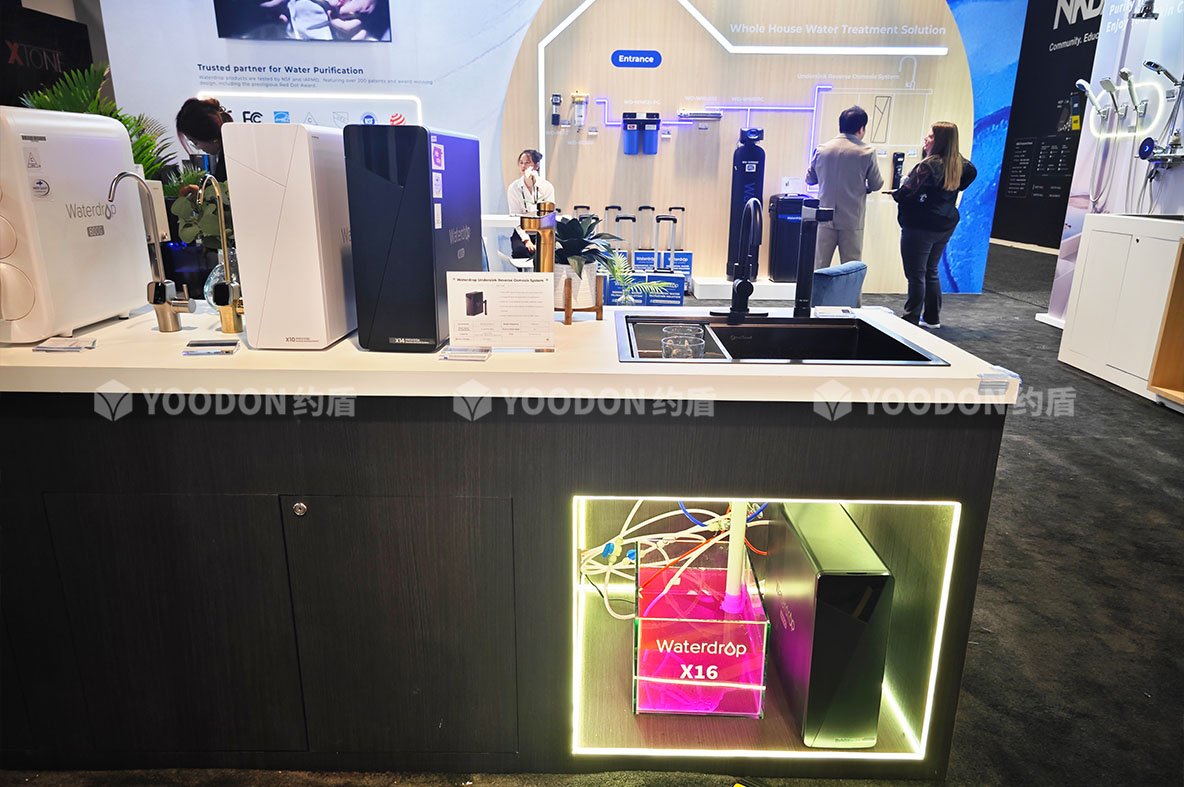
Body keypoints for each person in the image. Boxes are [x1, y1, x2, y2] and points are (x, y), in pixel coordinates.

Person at [890, 121, 977, 328]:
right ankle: (931, 318)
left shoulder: (928, 166)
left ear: (939, 140)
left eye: (930, 136)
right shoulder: (963, 166)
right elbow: (962, 184)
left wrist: (898, 191)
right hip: (945, 224)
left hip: (920, 226)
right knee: (931, 270)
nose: (925, 139)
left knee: (916, 274)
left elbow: (905, 194)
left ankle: (911, 318)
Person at [805, 106, 883, 268]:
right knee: (850, 270)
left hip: (824, 218)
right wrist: (864, 187)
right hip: (851, 220)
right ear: (861, 128)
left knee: (819, 267)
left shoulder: (822, 150)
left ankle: (818, 287)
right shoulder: (867, 152)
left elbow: (810, 179)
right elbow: (876, 184)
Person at [174, 97, 232, 193]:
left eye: (195, 143)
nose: (198, 147)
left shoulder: (230, 160)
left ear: (212, 138)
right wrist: (200, 192)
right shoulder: (229, 151)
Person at [507, 148, 556, 259]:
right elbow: (515, 216)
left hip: (542, 231)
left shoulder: (547, 187)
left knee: (547, 253)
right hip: (522, 231)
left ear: (536, 165)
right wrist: (527, 240)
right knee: (520, 251)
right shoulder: (514, 188)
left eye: (527, 162)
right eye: (521, 163)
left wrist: (541, 239)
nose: (523, 166)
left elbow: (549, 216)